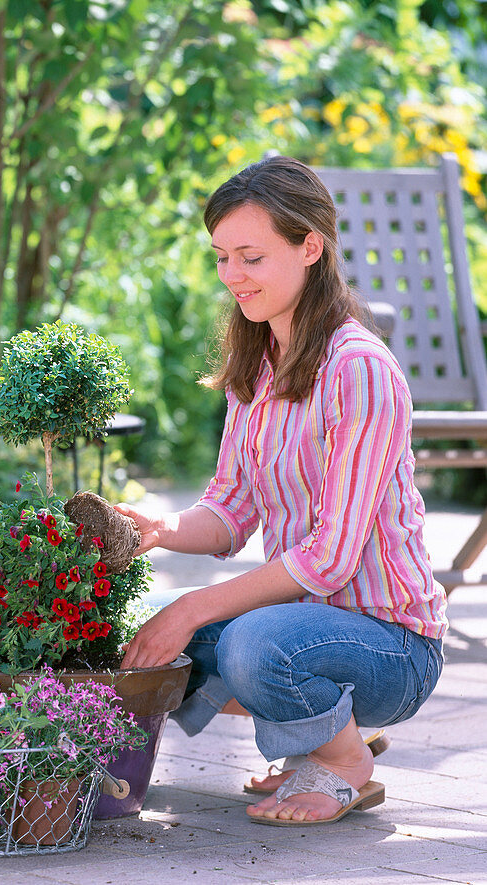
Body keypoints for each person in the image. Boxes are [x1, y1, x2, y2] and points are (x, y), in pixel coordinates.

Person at [115, 155, 447, 827]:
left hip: (393, 643)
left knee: (249, 645)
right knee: (155, 642)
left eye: (251, 257)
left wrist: (193, 608)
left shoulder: (359, 369)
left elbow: (329, 558)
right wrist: (158, 528)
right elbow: (230, 510)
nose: (232, 276)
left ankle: (347, 760)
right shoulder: (258, 364)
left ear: (310, 246)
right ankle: (328, 731)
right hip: (307, 628)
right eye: (221, 258)